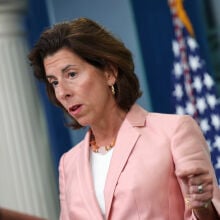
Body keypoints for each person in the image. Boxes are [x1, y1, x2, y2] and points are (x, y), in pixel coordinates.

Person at [28, 17, 220, 220]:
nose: (62, 92)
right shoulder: (68, 164)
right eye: (54, 82)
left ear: (109, 72)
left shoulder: (174, 131)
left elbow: (202, 208)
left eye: (72, 74)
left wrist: (202, 204)